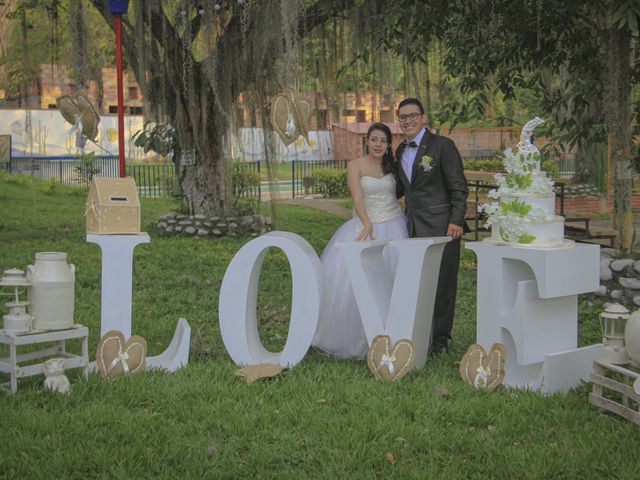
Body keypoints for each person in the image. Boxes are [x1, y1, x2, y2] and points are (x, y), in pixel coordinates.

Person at [312, 123, 408, 358]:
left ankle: (394, 334)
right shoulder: (355, 165)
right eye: (374, 140)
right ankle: (359, 336)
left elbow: (400, 194)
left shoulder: (392, 167)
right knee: (357, 283)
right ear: (367, 141)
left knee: (392, 278)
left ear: (388, 144)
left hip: (395, 225)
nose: (378, 145)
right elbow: (357, 198)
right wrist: (366, 223)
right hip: (368, 226)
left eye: (383, 141)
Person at [394, 98, 469, 354]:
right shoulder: (399, 151)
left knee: (443, 284)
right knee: (419, 282)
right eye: (403, 117)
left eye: (413, 115)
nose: (408, 120)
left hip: (442, 227)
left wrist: (456, 220)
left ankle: (440, 341)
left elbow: (458, 186)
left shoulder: (442, 146)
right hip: (413, 227)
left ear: (423, 118)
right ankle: (422, 334)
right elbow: (403, 188)